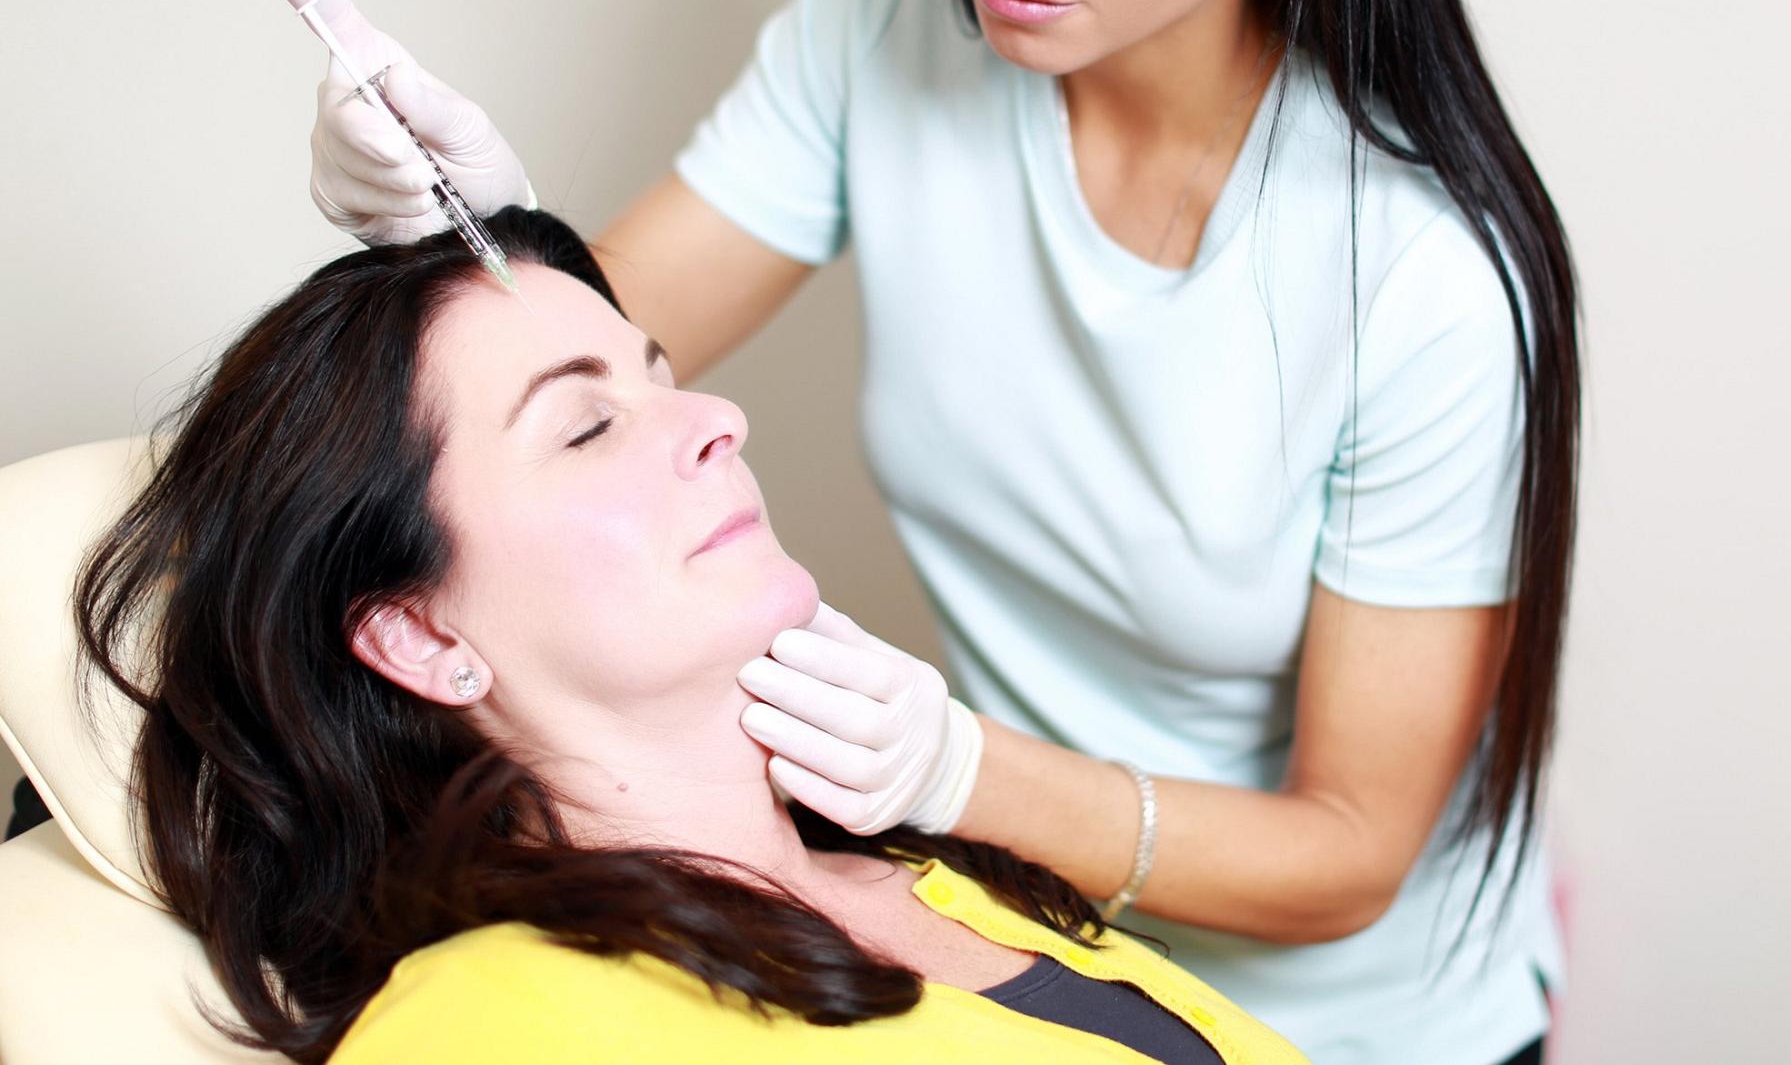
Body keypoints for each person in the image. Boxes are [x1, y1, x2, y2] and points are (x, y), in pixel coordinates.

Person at [274, 0, 1582, 1060]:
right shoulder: (903, 3)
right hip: (1005, 929)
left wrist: (962, 774)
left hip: (1345, 1018)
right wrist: (478, 231)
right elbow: (582, 371)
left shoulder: (1419, 276)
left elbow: (1348, 851)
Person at [77, 210, 1304, 1064]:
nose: (717, 415)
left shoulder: (937, 874)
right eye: (583, 425)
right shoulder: (495, 1022)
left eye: (660, 375)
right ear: (414, 631)